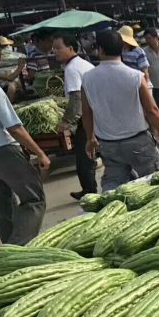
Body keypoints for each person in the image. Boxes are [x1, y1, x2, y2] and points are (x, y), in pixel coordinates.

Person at [81, 30, 159, 192]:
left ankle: (109, 209)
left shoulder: (87, 79)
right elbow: (152, 110)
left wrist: (90, 138)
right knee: (155, 183)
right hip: (138, 142)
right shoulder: (135, 77)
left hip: (108, 144)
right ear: (122, 49)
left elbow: (87, 112)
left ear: (100, 50)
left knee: (113, 184)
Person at [0, 82, 49, 244]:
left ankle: (6, 253)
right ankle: (18, 247)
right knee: (34, 199)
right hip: (3, 152)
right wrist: (40, 153)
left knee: (1, 207)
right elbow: (14, 129)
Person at [52, 32, 98, 200]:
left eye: (58, 48)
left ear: (70, 48)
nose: (54, 51)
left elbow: (76, 98)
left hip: (87, 118)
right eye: (53, 48)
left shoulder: (72, 69)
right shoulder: (82, 64)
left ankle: (89, 192)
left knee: (84, 156)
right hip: (97, 113)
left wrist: (66, 122)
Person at [0, 37, 25, 103]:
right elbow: (10, 78)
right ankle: (10, 107)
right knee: (12, 86)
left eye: (0, 50)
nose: (1, 53)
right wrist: (20, 67)